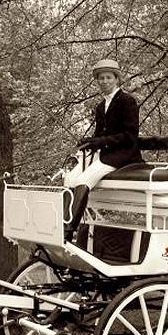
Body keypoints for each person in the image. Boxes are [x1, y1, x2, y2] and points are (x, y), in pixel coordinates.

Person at [63, 59, 142, 240]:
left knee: (84, 179)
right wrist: (89, 141)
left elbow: (130, 136)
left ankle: (69, 230)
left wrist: (100, 142)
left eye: (108, 77)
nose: (104, 81)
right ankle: (62, 220)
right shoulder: (100, 107)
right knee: (70, 178)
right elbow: (100, 135)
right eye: (101, 78)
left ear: (116, 79)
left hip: (123, 155)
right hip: (104, 154)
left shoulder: (127, 101)